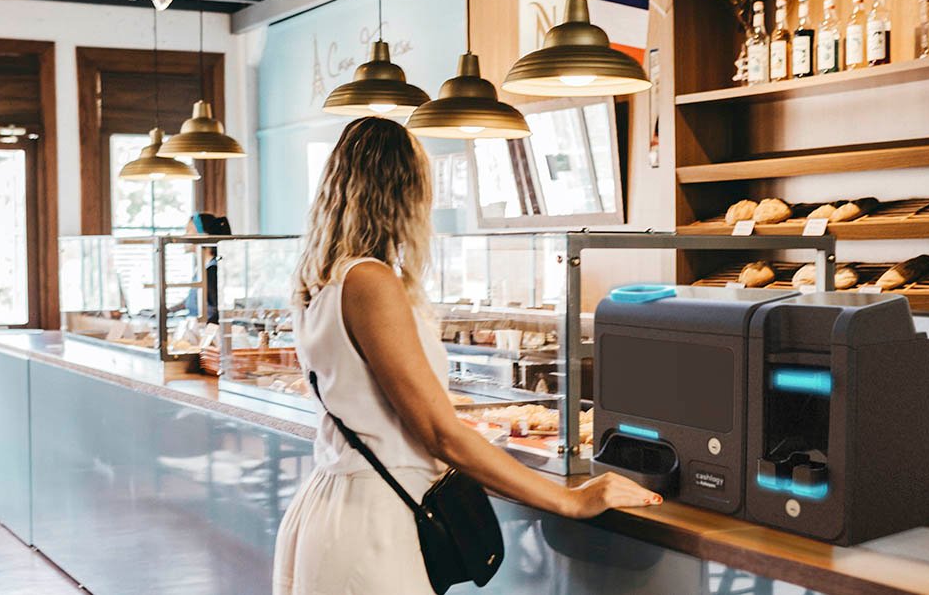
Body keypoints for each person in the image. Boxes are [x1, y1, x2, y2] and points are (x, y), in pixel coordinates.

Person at [273, 117, 658, 595]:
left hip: (337, 502)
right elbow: (439, 434)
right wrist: (569, 500)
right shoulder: (370, 281)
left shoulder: (320, 280)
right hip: (374, 521)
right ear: (403, 190)